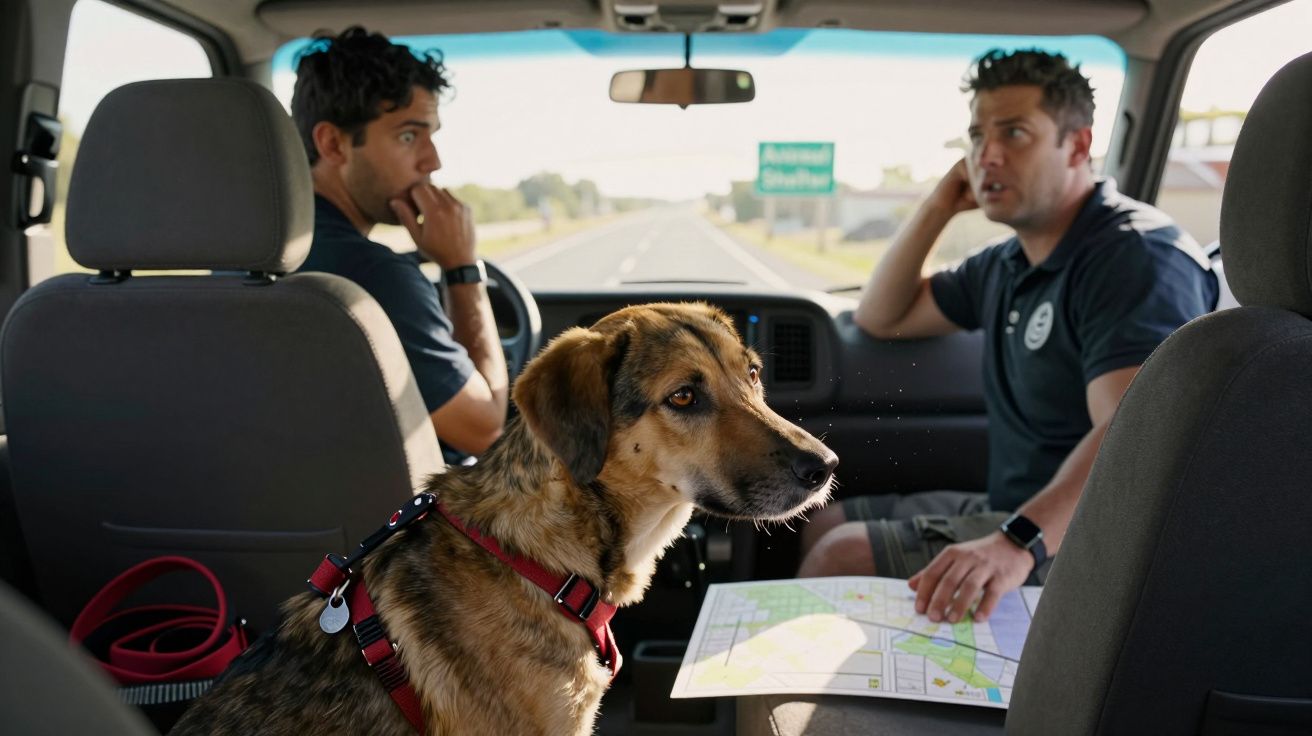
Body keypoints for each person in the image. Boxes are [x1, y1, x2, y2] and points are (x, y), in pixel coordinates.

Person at [797, 49, 1218, 623]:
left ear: (1077, 145)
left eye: (1014, 133)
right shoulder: (1007, 263)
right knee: (822, 518)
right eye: (976, 136)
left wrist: (1014, 542)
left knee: (838, 556)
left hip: (1096, 533)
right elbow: (881, 317)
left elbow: (1132, 439)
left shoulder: (1133, 259)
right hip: (1016, 507)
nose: (985, 156)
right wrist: (940, 203)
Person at [291, 27, 508, 457]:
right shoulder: (377, 277)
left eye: (432, 134)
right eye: (409, 136)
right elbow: (484, 430)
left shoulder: (236, 261)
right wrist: (460, 268)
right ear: (333, 143)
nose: (433, 160)